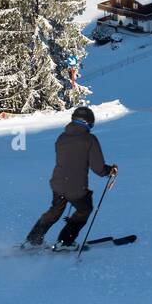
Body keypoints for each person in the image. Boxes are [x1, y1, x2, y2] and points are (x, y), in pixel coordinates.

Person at [24, 106, 118, 248]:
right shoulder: (89, 139)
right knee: (84, 210)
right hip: (76, 188)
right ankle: (65, 242)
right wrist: (110, 170)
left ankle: (33, 240)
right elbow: (98, 168)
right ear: (89, 122)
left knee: (55, 211)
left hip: (58, 184)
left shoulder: (62, 137)